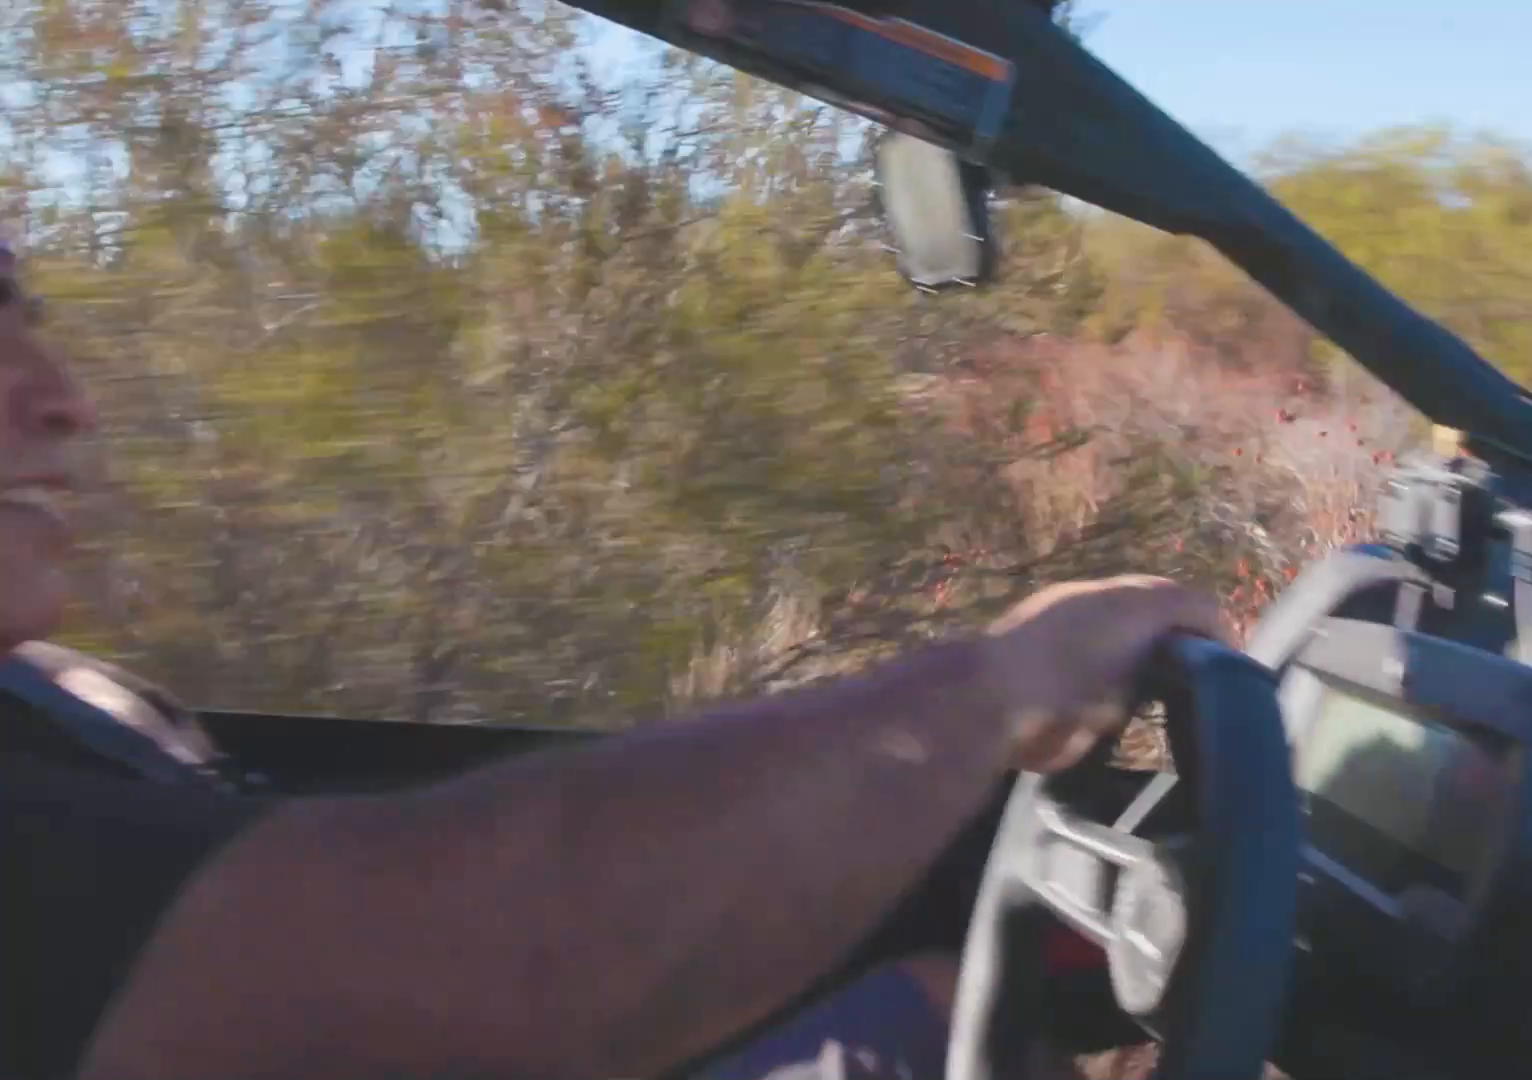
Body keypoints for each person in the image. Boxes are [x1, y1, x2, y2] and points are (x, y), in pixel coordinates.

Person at [0, 238, 1230, 1080]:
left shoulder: (54, 700)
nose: (63, 400)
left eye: (30, 317)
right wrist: (1000, 686)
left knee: (956, 1000)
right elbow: (495, 961)